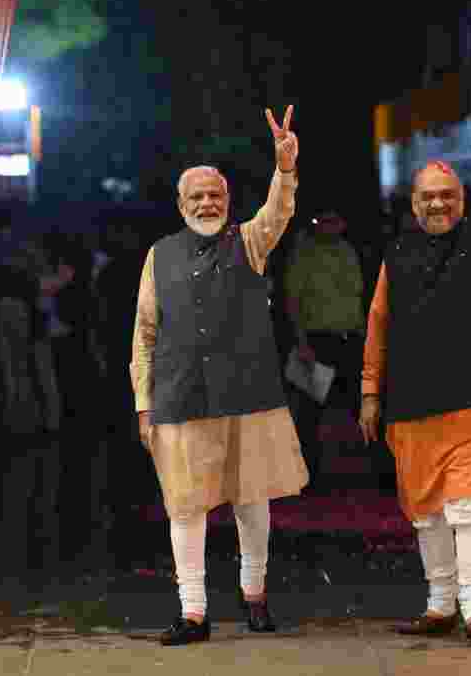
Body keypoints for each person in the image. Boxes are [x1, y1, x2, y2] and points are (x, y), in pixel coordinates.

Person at [130, 107, 308, 646]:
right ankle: (193, 612)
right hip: (180, 397)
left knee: (252, 500)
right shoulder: (159, 256)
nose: (207, 203)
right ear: (181, 205)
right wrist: (143, 404)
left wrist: (284, 168)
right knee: (185, 506)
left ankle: (255, 596)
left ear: (228, 202)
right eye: (196, 197)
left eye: (216, 196)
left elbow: (278, 213)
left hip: (247, 395)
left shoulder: (249, 241)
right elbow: (144, 335)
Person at [359, 98, 471, 646]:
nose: (437, 204)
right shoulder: (396, 254)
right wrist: (369, 394)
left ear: (461, 202)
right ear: (413, 203)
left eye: (446, 196)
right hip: (409, 406)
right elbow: (378, 326)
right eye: (427, 196)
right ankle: (439, 605)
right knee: (426, 514)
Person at [284, 211, 366, 492]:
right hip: (318, 341)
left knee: (361, 406)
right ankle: (308, 477)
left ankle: (369, 474)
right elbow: (293, 301)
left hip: (350, 339)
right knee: (309, 414)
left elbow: (356, 296)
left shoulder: (348, 250)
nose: (332, 226)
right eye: (325, 221)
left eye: (336, 221)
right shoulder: (304, 253)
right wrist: (302, 342)